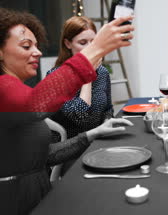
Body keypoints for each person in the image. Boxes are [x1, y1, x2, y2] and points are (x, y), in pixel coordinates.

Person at [0, 7, 135, 215]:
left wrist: (94, 134)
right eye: (27, 46)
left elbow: (42, 156)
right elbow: (36, 103)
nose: (37, 52)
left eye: (36, 45)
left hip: (40, 195)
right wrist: (96, 49)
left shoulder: (18, 89)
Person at [46, 16, 114, 174]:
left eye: (94, 42)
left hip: (98, 144)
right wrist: (87, 75)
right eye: (83, 43)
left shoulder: (102, 73)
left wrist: (107, 126)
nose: (91, 48)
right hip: (71, 152)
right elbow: (81, 116)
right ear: (68, 44)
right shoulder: (56, 77)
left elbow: (108, 108)